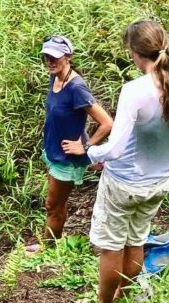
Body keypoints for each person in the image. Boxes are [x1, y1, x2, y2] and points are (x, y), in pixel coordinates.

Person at [62, 20, 169, 303]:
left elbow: (117, 148)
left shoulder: (134, 90)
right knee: (136, 240)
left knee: (111, 248)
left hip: (123, 184)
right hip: (158, 184)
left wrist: (88, 153)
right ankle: (127, 295)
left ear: (135, 52)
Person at [28, 35, 113, 252]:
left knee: (52, 206)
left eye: (55, 57)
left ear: (68, 56)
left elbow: (106, 123)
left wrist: (85, 147)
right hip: (54, 151)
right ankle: (53, 243)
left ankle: (47, 250)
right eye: (46, 56)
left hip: (67, 159)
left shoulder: (76, 88)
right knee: (57, 204)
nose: (49, 61)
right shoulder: (55, 77)